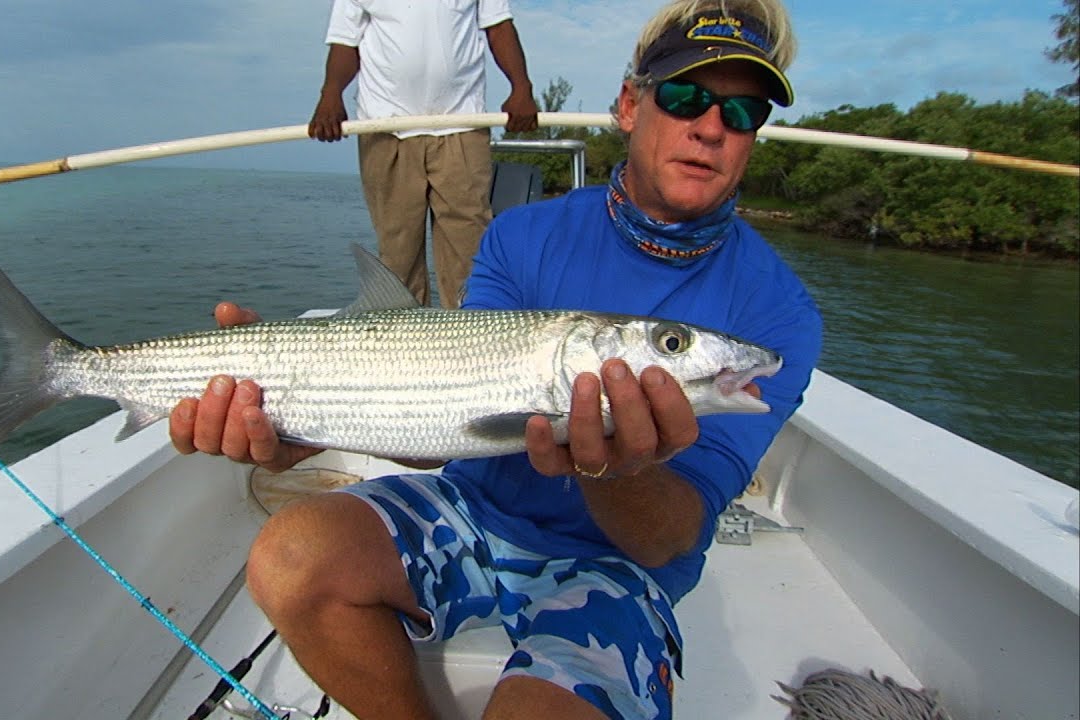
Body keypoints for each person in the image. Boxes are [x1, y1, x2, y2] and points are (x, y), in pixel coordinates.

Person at [171, 0, 821, 717]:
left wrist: (614, 467)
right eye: (685, 97)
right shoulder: (518, 235)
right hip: (472, 509)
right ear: (631, 105)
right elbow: (447, 420)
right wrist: (308, 417)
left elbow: (670, 538)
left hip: (619, 568)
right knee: (290, 556)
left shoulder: (779, 317)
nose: (710, 127)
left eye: (743, 112)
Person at [308, 0, 540, 309]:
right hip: (386, 125)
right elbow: (345, 40)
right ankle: (405, 335)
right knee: (398, 252)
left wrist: (521, 87)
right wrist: (330, 94)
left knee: (468, 246)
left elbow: (498, 26)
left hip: (461, 122)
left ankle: (471, 329)